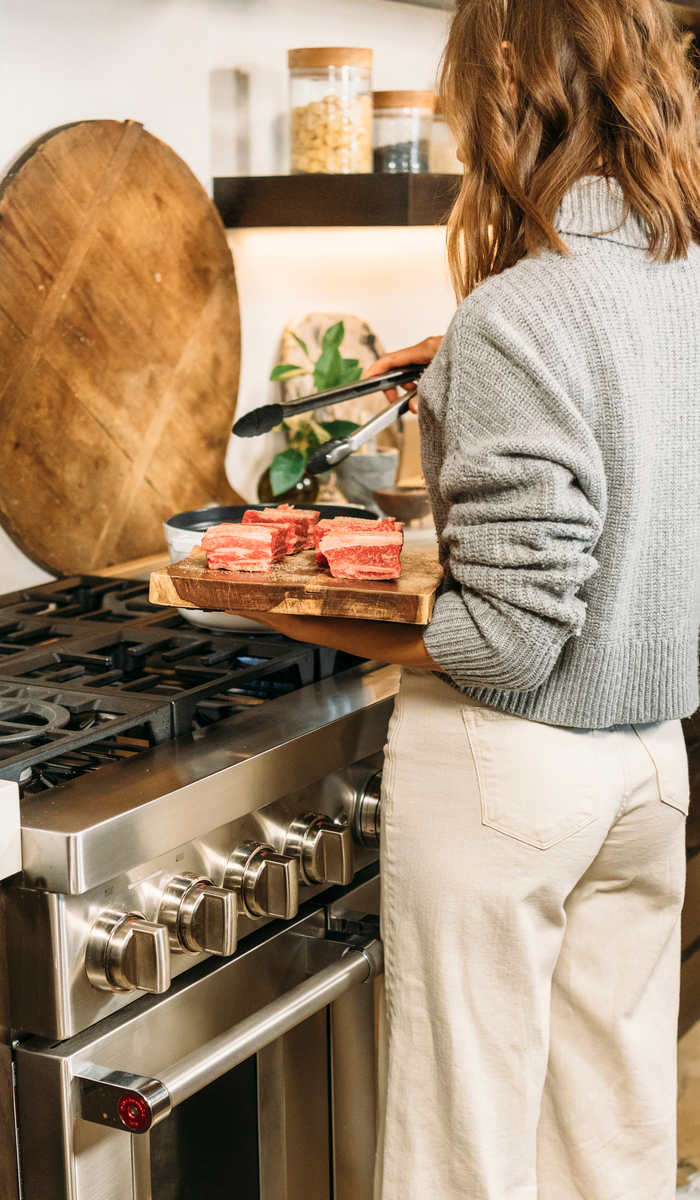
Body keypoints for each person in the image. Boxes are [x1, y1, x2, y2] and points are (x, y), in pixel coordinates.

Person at [234, 0, 700, 1195]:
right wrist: (470, 361)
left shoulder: (517, 313)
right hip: (649, 767)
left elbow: (507, 643)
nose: (447, 121)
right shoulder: (675, 274)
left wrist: (269, 601)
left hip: (512, 775)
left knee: (466, 1157)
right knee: (613, 1138)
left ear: (503, 69)